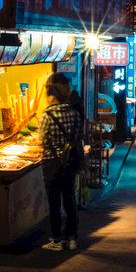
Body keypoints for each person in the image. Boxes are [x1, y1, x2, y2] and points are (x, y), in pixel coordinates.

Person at [40, 74, 84, 251]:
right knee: (69, 199)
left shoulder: (47, 115)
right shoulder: (74, 114)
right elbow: (78, 136)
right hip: (69, 162)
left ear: (51, 96)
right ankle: (72, 238)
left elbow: (41, 138)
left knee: (54, 202)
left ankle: (56, 241)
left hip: (51, 163)